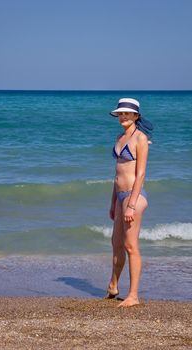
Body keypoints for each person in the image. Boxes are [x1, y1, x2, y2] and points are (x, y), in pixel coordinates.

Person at [105, 98, 153, 307]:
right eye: (120, 113)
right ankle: (113, 286)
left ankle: (133, 296)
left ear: (136, 116)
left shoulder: (140, 138)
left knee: (130, 245)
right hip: (120, 196)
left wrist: (131, 204)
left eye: (127, 113)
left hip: (135, 196)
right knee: (116, 244)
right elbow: (117, 174)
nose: (123, 116)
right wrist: (113, 201)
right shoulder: (119, 137)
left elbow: (140, 174)